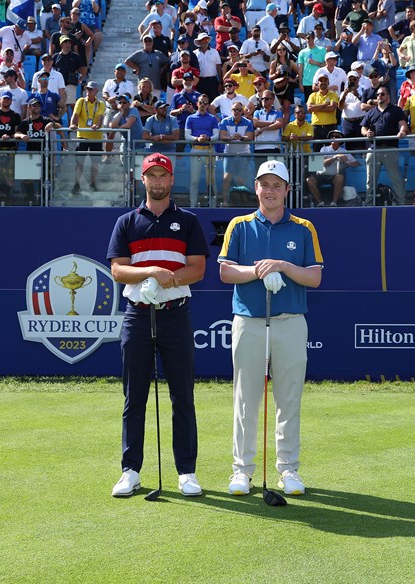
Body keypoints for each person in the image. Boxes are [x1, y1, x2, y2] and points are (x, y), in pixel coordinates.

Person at [107, 152, 208, 498]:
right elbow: (118, 269)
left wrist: (168, 279)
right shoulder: (127, 222)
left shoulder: (189, 221)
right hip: (137, 314)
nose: (158, 182)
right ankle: (130, 470)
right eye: (153, 176)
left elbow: (197, 268)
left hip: (175, 314)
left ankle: (186, 472)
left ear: (170, 180)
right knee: (134, 396)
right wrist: (150, 272)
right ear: (143, 179)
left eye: (163, 176)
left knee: (183, 395)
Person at [219, 159, 323, 497]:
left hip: (290, 322)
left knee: (288, 399)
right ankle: (242, 471)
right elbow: (226, 273)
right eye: (265, 184)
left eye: (277, 185)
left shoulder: (304, 227)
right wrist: (260, 270)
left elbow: (315, 277)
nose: (270, 190)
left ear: (287, 190)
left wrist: (282, 266)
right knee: (246, 399)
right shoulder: (239, 225)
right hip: (248, 321)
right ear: (256, 188)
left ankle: (289, 469)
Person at [360, 85, 408, 204]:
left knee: (396, 179)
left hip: (390, 149)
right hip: (373, 148)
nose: (379, 96)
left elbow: (403, 124)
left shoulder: (396, 110)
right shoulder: (371, 112)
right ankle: (369, 202)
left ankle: (401, 204)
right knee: (370, 180)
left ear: (388, 97)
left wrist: (402, 131)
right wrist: (367, 133)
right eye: (377, 95)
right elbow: (363, 128)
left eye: (382, 94)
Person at [14, 98, 60, 204]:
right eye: (34, 106)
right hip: (31, 154)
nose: (37, 108)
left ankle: (45, 200)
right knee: (27, 178)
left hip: (45, 154)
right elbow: (16, 133)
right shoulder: (25, 122)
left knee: (45, 179)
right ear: (29, 107)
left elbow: (59, 126)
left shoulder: (45, 120)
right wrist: (22, 135)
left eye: (39, 106)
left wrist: (52, 124)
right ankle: (31, 198)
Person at [69, 81, 106, 193]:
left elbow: (100, 117)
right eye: (87, 89)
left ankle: (93, 183)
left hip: (96, 137)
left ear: (96, 91)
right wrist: (73, 124)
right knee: (80, 161)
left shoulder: (101, 104)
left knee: (95, 162)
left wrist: (97, 125)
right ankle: (77, 184)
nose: (88, 91)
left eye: (90, 89)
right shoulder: (80, 101)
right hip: (82, 136)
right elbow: (75, 114)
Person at [306, 129, 360, 206]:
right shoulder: (324, 149)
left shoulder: (344, 151)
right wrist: (335, 157)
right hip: (322, 175)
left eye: (337, 136)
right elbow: (324, 163)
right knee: (309, 180)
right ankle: (319, 202)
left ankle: (334, 202)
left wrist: (347, 161)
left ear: (341, 139)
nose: (334, 138)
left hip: (335, 176)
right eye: (332, 136)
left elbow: (357, 163)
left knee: (340, 177)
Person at [185, 94, 220, 206]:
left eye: (205, 103)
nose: (203, 105)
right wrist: (197, 139)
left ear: (208, 105)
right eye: (201, 102)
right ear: (197, 104)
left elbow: (216, 135)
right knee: (194, 180)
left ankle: (213, 206)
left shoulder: (212, 118)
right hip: (196, 150)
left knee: (211, 181)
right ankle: (193, 206)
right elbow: (187, 136)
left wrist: (208, 138)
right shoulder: (190, 118)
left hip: (209, 150)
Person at [219, 102, 255, 206]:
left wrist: (241, 138)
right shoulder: (225, 121)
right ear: (231, 111)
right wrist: (231, 138)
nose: (237, 112)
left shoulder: (248, 122)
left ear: (242, 111)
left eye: (239, 110)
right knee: (227, 178)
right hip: (229, 154)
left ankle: (242, 202)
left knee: (241, 180)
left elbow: (250, 137)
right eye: (235, 110)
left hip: (243, 154)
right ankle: (225, 201)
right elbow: (222, 136)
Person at [307, 75, 340, 140]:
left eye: (325, 80)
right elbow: (310, 109)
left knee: (330, 149)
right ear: (318, 83)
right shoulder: (313, 95)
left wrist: (316, 108)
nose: (323, 82)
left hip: (330, 126)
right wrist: (324, 104)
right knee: (317, 149)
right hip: (316, 127)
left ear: (328, 83)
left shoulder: (333, 94)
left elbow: (332, 108)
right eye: (321, 81)